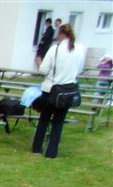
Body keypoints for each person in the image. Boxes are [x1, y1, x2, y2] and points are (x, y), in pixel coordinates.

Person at [33, 23, 85, 159]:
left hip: (51, 89)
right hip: (68, 90)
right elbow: (79, 70)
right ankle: (51, 152)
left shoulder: (55, 49)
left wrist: (40, 64)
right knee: (58, 122)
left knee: (44, 119)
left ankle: (37, 148)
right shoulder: (79, 49)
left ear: (61, 34)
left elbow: (43, 69)